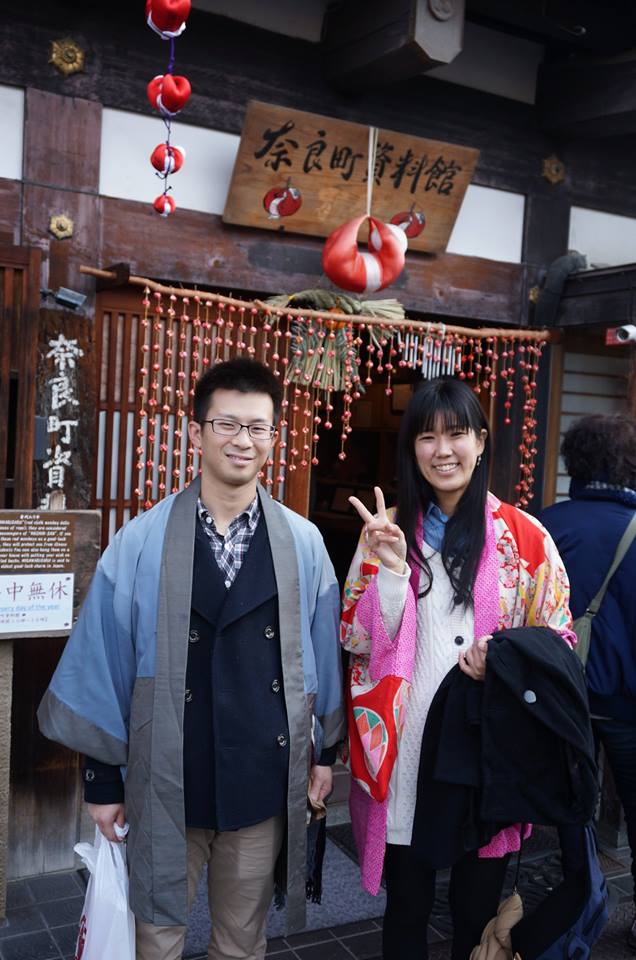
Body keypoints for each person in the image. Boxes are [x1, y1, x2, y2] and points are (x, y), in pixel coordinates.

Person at [38, 357, 345, 960]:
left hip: (260, 776)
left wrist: (324, 756)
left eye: (257, 427)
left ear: (274, 438)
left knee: (242, 940)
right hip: (166, 780)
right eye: (226, 424)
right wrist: (102, 781)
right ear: (195, 431)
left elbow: (324, 659)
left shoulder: (304, 543)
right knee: (155, 939)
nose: (242, 440)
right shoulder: (140, 540)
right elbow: (103, 662)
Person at [341, 377, 575, 960]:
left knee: (476, 907)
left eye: (457, 434)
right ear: (411, 448)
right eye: (427, 436)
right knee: (406, 905)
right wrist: (391, 571)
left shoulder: (525, 537)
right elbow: (356, 638)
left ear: (481, 441)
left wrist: (506, 657)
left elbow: (560, 638)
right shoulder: (384, 532)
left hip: (486, 748)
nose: (442, 450)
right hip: (407, 745)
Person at [540, 413, 636, 951]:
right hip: (626, 703)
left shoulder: (544, 524)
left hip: (558, 698)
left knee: (569, 805)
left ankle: (575, 897)